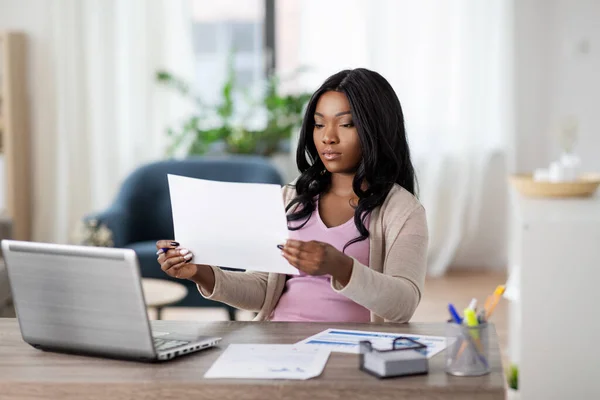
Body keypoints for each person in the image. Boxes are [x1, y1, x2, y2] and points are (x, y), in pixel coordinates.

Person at [156, 68, 428, 323]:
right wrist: (201, 273)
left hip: (350, 353)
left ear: (377, 129)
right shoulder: (292, 198)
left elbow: (402, 305)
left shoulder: (402, 210)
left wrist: (341, 267)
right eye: (319, 124)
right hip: (278, 345)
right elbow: (264, 290)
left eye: (346, 124)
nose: (328, 138)